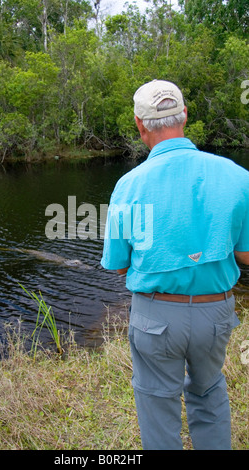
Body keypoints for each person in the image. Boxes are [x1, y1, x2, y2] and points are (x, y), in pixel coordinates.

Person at [101, 79, 249, 450]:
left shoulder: (128, 186)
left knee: (156, 403)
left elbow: (119, 266)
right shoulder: (237, 176)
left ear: (139, 125)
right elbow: (246, 254)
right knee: (209, 391)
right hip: (215, 312)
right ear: (184, 115)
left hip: (155, 318)